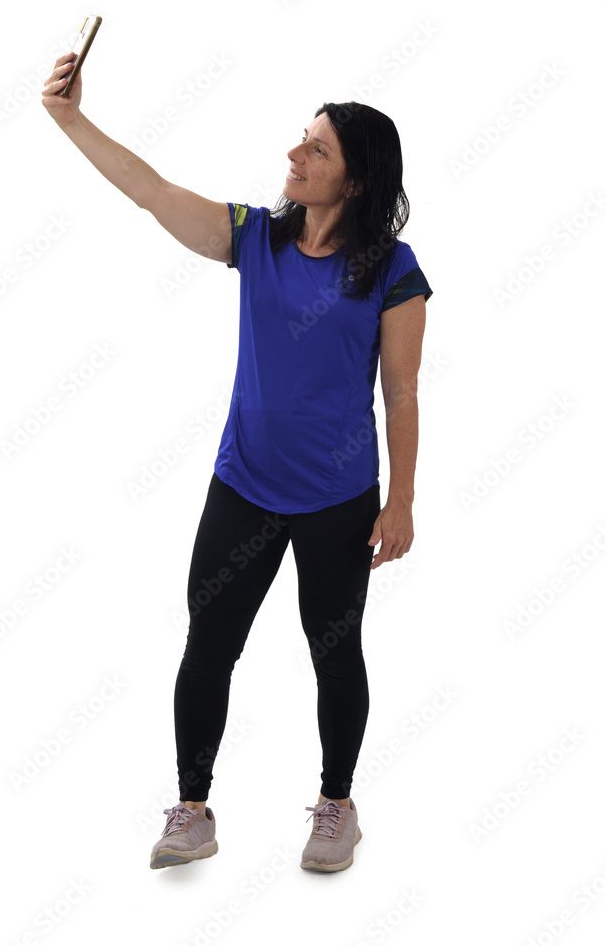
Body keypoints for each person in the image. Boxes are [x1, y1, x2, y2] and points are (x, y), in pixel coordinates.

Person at [42, 52, 433, 874]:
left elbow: (401, 391)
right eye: (301, 138)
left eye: (316, 149)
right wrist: (70, 117)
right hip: (244, 485)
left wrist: (399, 502)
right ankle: (192, 809)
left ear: (354, 181)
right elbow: (150, 192)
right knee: (208, 644)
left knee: (335, 650)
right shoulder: (255, 236)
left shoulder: (392, 269)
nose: (294, 154)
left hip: (337, 498)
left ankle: (337, 806)